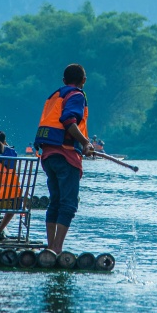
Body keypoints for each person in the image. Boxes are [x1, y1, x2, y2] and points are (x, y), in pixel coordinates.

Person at [35, 63, 93, 254]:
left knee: (55, 202)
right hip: (65, 154)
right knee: (68, 204)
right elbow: (68, 121)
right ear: (83, 80)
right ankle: (57, 249)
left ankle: (50, 246)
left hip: (48, 156)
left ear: (64, 80)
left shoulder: (55, 96)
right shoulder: (76, 95)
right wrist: (85, 143)